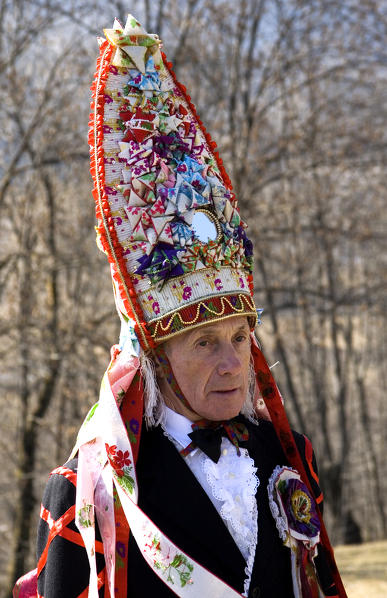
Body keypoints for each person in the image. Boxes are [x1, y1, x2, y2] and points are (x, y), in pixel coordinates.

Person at [14, 13, 347, 598]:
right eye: (204, 341)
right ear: (153, 355)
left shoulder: (286, 458)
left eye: (241, 337)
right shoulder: (97, 490)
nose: (232, 363)